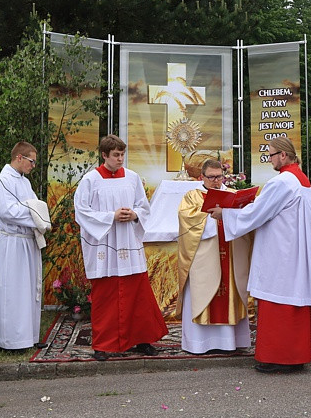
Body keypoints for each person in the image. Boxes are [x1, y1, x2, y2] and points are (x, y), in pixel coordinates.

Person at [209, 137, 311, 373]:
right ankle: (296, 356)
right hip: (295, 250)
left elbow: (257, 213)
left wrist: (224, 213)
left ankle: (279, 358)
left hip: (281, 252)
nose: (269, 160)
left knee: (277, 299)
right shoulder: (301, 180)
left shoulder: (282, 182)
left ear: (283, 155)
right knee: (293, 298)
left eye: (271, 155)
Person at [74, 134, 168, 361]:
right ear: (104, 155)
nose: (120, 159)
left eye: (122, 154)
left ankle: (142, 340)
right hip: (104, 246)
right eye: (116, 155)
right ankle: (102, 345)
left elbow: (143, 207)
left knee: (138, 295)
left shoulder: (132, 178)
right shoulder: (90, 180)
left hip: (128, 243)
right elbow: (82, 212)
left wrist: (134, 215)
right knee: (105, 297)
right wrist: (111, 216)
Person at [177, 159, 252, 354]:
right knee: (203, 293)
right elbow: (187, 221)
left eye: (219, 177)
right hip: (204, 256)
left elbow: (246, 221)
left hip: (231, 255)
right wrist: (215, 217)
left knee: (231, 291)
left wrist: (234, 213)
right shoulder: (192, 197)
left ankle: (230, 342)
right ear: (202, 177)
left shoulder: (232, 194)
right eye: (211, 177)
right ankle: (200, 343)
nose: (216, 181)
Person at [0, 141, 49, 352]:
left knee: (29, 289)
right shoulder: (2, 182)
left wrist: (35, 212)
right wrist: (35, 213)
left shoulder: (24, 182)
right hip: (12, 243)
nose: (34, 165)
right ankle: (11, 340)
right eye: (31, 161)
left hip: (27, 241)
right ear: (19, 158)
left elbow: (34, 207)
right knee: (12, 290)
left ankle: (28, 337)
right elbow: (7, 211)